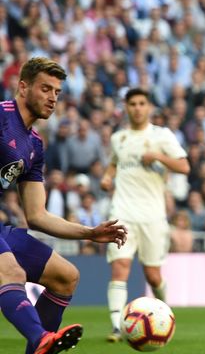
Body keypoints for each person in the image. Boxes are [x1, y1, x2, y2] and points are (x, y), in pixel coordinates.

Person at [0, 57, 127, 354]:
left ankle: (40, 348)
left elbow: (37, 215)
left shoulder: (34, 145)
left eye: (57, 92)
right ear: (22, 87)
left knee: (65, 275)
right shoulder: (2, 117)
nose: (52, 97)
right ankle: (42, 338)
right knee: (11, 271)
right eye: (45, 89)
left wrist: (89, 233)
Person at [100, 88, 190, 342]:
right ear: (126, 107)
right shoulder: (119, 138)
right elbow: (114, 163)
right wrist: (107, 178)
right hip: (122, 212)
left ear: (148, 107)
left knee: (153, 275)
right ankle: (117, 326)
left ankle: (165, 312)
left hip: (152, 216)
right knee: (120, 266)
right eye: (133, 104)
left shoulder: (161, 136)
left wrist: (159, 156)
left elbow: (184, 166)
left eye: (142, 103)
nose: (137, 108)